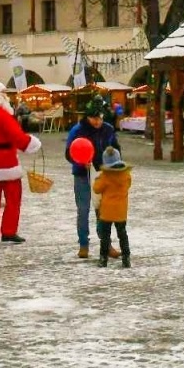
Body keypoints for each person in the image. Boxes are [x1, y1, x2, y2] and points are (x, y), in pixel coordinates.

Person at [0, 82, 41, 246]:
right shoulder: (2, 115)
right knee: (13, 198)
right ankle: (9, 232)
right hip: (7, 161)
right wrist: (32, 143)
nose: (7, 97)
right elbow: (18, 137)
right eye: (4, 93)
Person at [66, 98, 119, 260]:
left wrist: (113, 163)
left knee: (103, 210)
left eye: (100, 118)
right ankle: (83, 244)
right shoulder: (78, 130)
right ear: (88, 117)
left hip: (102, 174)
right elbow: (69, 153)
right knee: (83, 210)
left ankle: (106, 243)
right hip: (82, 174)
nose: (98, 121)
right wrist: (81, 162)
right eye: (94, 118)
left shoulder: (108, 129)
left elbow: (116, 149)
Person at [93, 146, 132, 268]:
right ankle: (126, 258)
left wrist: (97, 179)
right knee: (122, 234)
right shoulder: (126, 175)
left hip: (107, 211)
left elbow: (96, 189)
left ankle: (103, 259)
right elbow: (128, 185)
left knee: (105, 236)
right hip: (121, 211)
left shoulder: (105, 176)